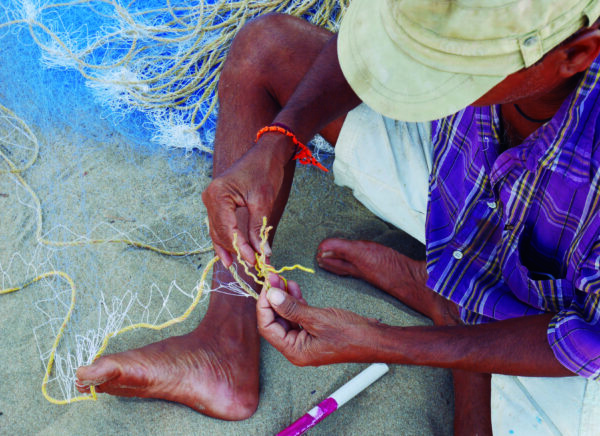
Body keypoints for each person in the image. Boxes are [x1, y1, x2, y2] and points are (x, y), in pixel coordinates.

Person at [76, 0, 600, 433]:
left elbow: (588, 341)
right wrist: (278, 142)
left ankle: (455, 307)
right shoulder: (507, 45)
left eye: (440, 72)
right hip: (457, 181)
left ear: (576, 55)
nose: (406, 77)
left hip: (563, 321)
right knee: (264, 50)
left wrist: (382, 341)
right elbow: (378, 55)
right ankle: (224, 343)